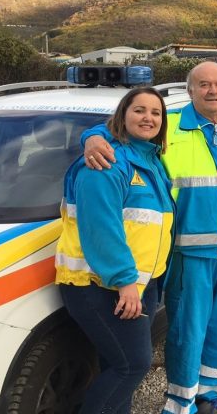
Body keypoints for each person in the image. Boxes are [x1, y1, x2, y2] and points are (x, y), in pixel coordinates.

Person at [83, 62, 217, 414]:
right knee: (187, 333)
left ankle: (211, 392)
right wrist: (91, 137)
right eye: (204, 84)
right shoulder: (170, 125)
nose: (213, 91)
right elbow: (118, 130)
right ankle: (180, 403)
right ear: (190, 90)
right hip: (191, 253)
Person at [55, 87, 173, 414]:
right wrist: (125, 282)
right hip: (102, 285)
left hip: (135, 283)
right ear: (122, 116)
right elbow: (101, 228)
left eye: (156, 112)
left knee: (116, 364)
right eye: (139, 110)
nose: (148, 118)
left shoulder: (148, 158)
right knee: (131, 366)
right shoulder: (106, 162)